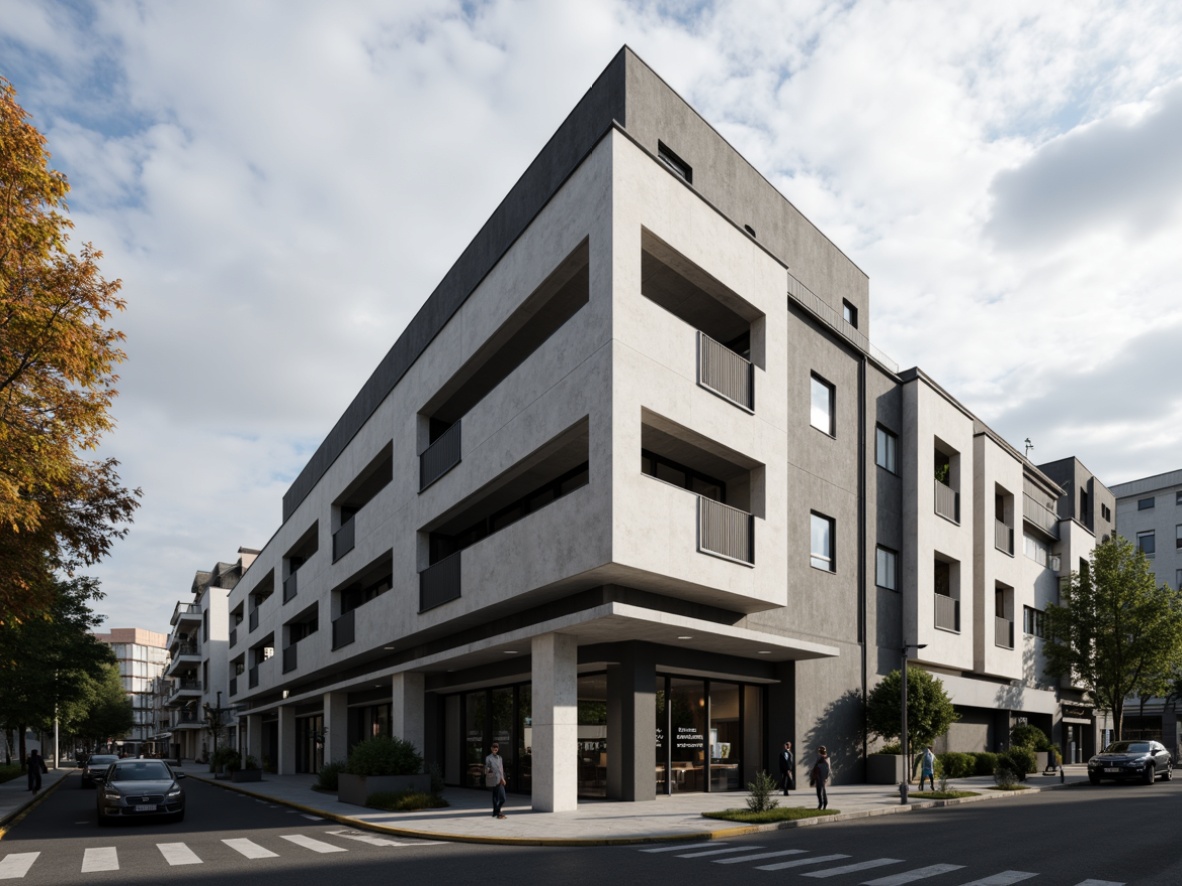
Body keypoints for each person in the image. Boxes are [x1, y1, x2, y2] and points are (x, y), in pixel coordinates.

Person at [484, 741, 507, 819]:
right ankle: (497, 812)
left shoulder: (500, 758)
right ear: (491, 749)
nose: (495, 749)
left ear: (498, 749)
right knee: (495, 796)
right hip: (493, 778)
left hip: (500, 779)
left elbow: (501, 769)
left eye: (496, 748)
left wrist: (503, 778)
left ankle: (496, 811)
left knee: (503, 798)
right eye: (493, 748)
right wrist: (487, 770)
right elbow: (487, 768)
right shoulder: (488, 758)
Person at [810, 746, 830, 810]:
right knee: (821, 790)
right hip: (820, 775)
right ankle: (823, 803)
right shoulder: (822, 758)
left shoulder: (824, 758)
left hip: (821, 774)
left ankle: (822, 804)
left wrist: (826, 777)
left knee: (820, 790)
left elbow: (827, 768)